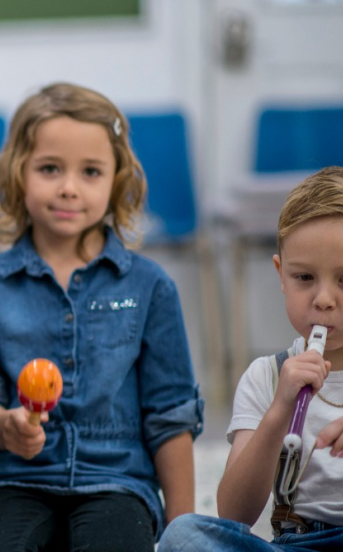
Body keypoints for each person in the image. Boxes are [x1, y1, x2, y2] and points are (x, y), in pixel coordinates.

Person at [0, 82, 203, 550]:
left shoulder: (150, 287)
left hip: (118, 482)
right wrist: (6, 427)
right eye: (50, 168)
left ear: (117, 180)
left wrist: (181, 530)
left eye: (91, 171)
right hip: (15, 482)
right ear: (18, 173)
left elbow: (169, 418)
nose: (69, 188)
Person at [159, 166, 343, 551]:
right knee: (183, 536)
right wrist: (279, 410)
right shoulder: (267, 376)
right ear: (280, 275)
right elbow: (234, 513)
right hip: (297, 541)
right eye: (304, 277)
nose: (324, 299)